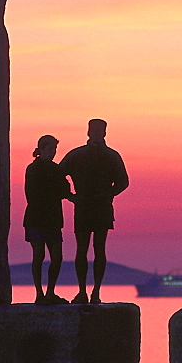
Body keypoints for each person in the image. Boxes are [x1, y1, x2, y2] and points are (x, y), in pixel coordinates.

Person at [60, 119, 129, 305]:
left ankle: (96, 292)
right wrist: (70, 195)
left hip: (102, 207)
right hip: (83, 207)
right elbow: (57, 176)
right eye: (94, 130)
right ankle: (82, 292)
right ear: (88, 132)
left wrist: (108, 193)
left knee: (99, 249)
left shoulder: (112, 156)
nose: (97, 133)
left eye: (100, 130)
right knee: (82, 250)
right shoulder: (76, 155)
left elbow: (123, 182)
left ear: (104, 133)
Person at [23, 135, 72, 305]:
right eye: (50, 149)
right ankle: (39, 294)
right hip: (36, 218)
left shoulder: (56, 169)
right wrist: (56, 192)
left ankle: (50, 292)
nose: (53, 153)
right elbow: (33, 193)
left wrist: (63, 192)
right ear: (42, 150)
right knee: (39, 255)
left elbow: (65, 189)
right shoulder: (33, 169)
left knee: (57, 257)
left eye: (55, 150)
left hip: (53, 220)